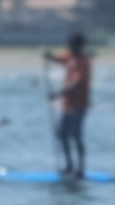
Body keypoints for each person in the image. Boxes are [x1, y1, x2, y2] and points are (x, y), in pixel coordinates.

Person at [44, 32, 91, 179]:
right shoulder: (70, 56)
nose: (70, 48)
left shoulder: (83, 61)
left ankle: (80, 169)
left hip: (79, 104)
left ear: (79, 46)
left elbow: (76, 82)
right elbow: (60, 59)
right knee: (62, 134)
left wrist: (58, 93)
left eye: (73, 46)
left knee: (76, 136)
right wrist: (49, 57)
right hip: (68, 104)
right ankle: (69, 166)